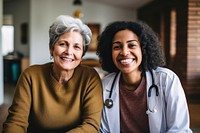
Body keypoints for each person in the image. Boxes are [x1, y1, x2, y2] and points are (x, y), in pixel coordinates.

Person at [3, 15, 103, 133]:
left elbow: (91, 125)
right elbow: (15, 122)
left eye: (76, 47)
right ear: (51, 48)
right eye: (63, 44)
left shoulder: (90, 78)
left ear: (82, 54)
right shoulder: (30, 75)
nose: (69, 51)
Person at [96, 21, 192, 133]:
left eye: (131, 45)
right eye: (117, 47)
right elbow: (102, 130)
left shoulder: (167, 80)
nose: (124, 52)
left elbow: (179, 129)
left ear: (143, 49)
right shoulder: (105, 84)